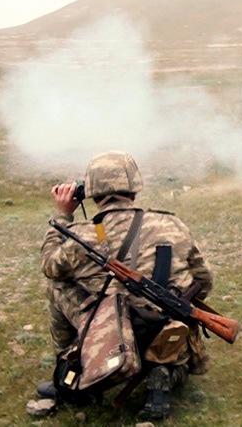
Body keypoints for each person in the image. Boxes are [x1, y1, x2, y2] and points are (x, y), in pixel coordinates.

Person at [36, 151, 213, 420]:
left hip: (111, 334)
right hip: (162, 329)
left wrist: (62, 216)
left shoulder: (84, 235)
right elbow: (204, 280)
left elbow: (50, 266)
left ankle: (73, 366)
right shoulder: (172, 224)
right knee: (180, 314)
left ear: (91, 192)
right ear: (134, 187)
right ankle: (165, 370)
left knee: (57, 285)